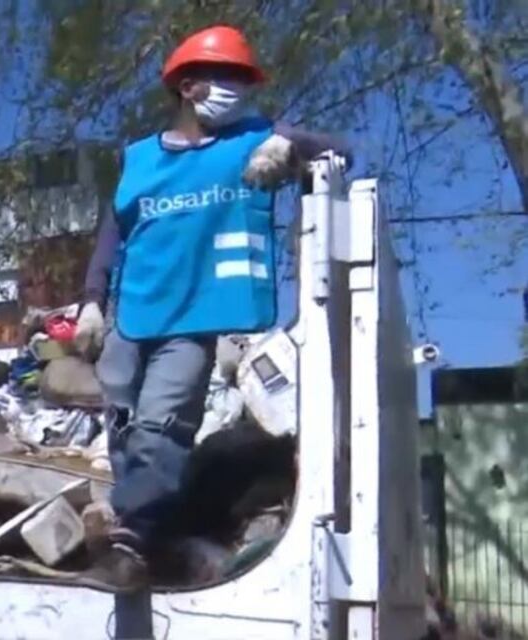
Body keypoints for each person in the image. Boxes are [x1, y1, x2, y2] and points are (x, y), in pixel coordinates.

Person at [74, 25, 351, 591]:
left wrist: (290, 149)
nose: (234, 92)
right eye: (223, 79)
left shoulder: (252, 139)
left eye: (241, 82)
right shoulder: (140, 159)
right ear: (187, 86)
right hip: (134, 313)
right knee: (124, 426)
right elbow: (112, 234)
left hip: (194, 318)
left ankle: (130, 540)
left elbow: (344, 153)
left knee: (162, 424)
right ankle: (144, 527)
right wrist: (91, 303)